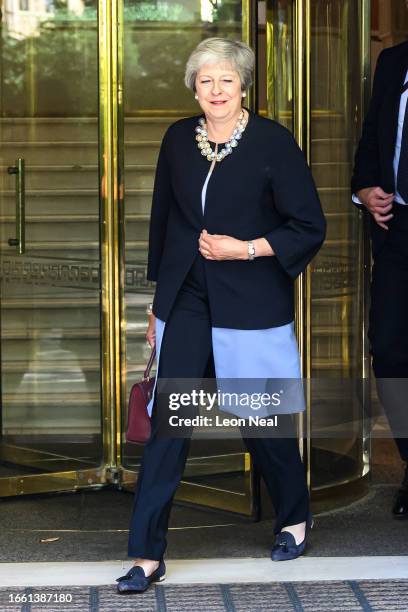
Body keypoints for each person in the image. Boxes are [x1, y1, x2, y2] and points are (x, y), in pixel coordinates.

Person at [117, 37, 326, 594]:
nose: (216, 90)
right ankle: (145, 554)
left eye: (226, 80)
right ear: (194, 86)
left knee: (260, 419)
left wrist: (248, 247)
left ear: (243, 86)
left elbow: (309, 225)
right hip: (186, 293)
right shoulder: (176, 140)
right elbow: (162, 221)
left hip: (250, 294)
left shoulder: (273, 143)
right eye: (206, 80)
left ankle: (294, 517)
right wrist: (155, 307)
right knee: (171, 420)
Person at [351, 37, 408, 517]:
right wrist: (366, 188)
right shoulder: (394, 61)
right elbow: (372, 137)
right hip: (399, 231)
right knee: (390, 349)